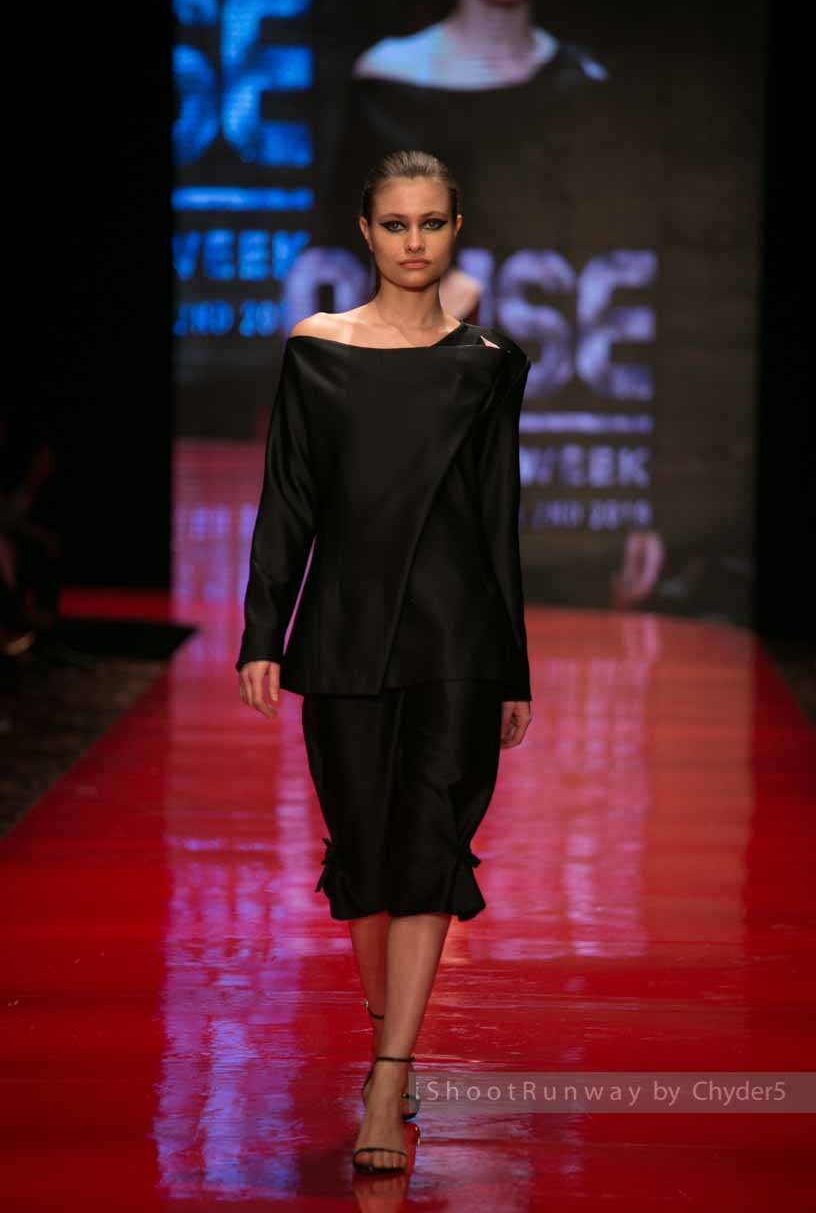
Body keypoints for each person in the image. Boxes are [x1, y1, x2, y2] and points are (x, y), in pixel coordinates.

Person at [236, 149, 533, 1175]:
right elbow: (289, 498)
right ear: (365, 232)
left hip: (458, 639)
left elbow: (497, 520)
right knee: (363, 859)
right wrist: (263, 632)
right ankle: (384, 1047)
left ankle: (388, 1077)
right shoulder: (316, 352)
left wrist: (515, 668)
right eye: (397, 224)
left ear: (457, 229)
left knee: (428, 852)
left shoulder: (488, 363)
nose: (415, 242)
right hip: (345, 633)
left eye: (432, 223)